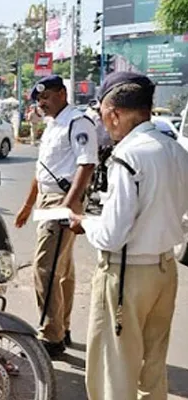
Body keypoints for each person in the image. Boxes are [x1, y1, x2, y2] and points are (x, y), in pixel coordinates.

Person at [69, 72, 188, 400]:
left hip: (127, 275)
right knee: (152, 368)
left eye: (103, 116)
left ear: (114, 113)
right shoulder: (175, 151)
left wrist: (85, 222)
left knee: (115, 370)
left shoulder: (127, 157)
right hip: (165, 272)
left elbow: (111, 235)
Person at [14, 75, 98, 358]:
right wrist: (28, 205)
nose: (42, 103)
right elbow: (42, 170)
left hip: (63, 199)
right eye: (39, 99)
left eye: (46, 97)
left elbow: (86, 166)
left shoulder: (78, 122)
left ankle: (50, 337)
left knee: (45, 268)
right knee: (62, 269)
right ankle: (62, 327)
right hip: (48, 199)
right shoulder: (53, 124)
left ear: (62, 93)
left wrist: (67, 206)